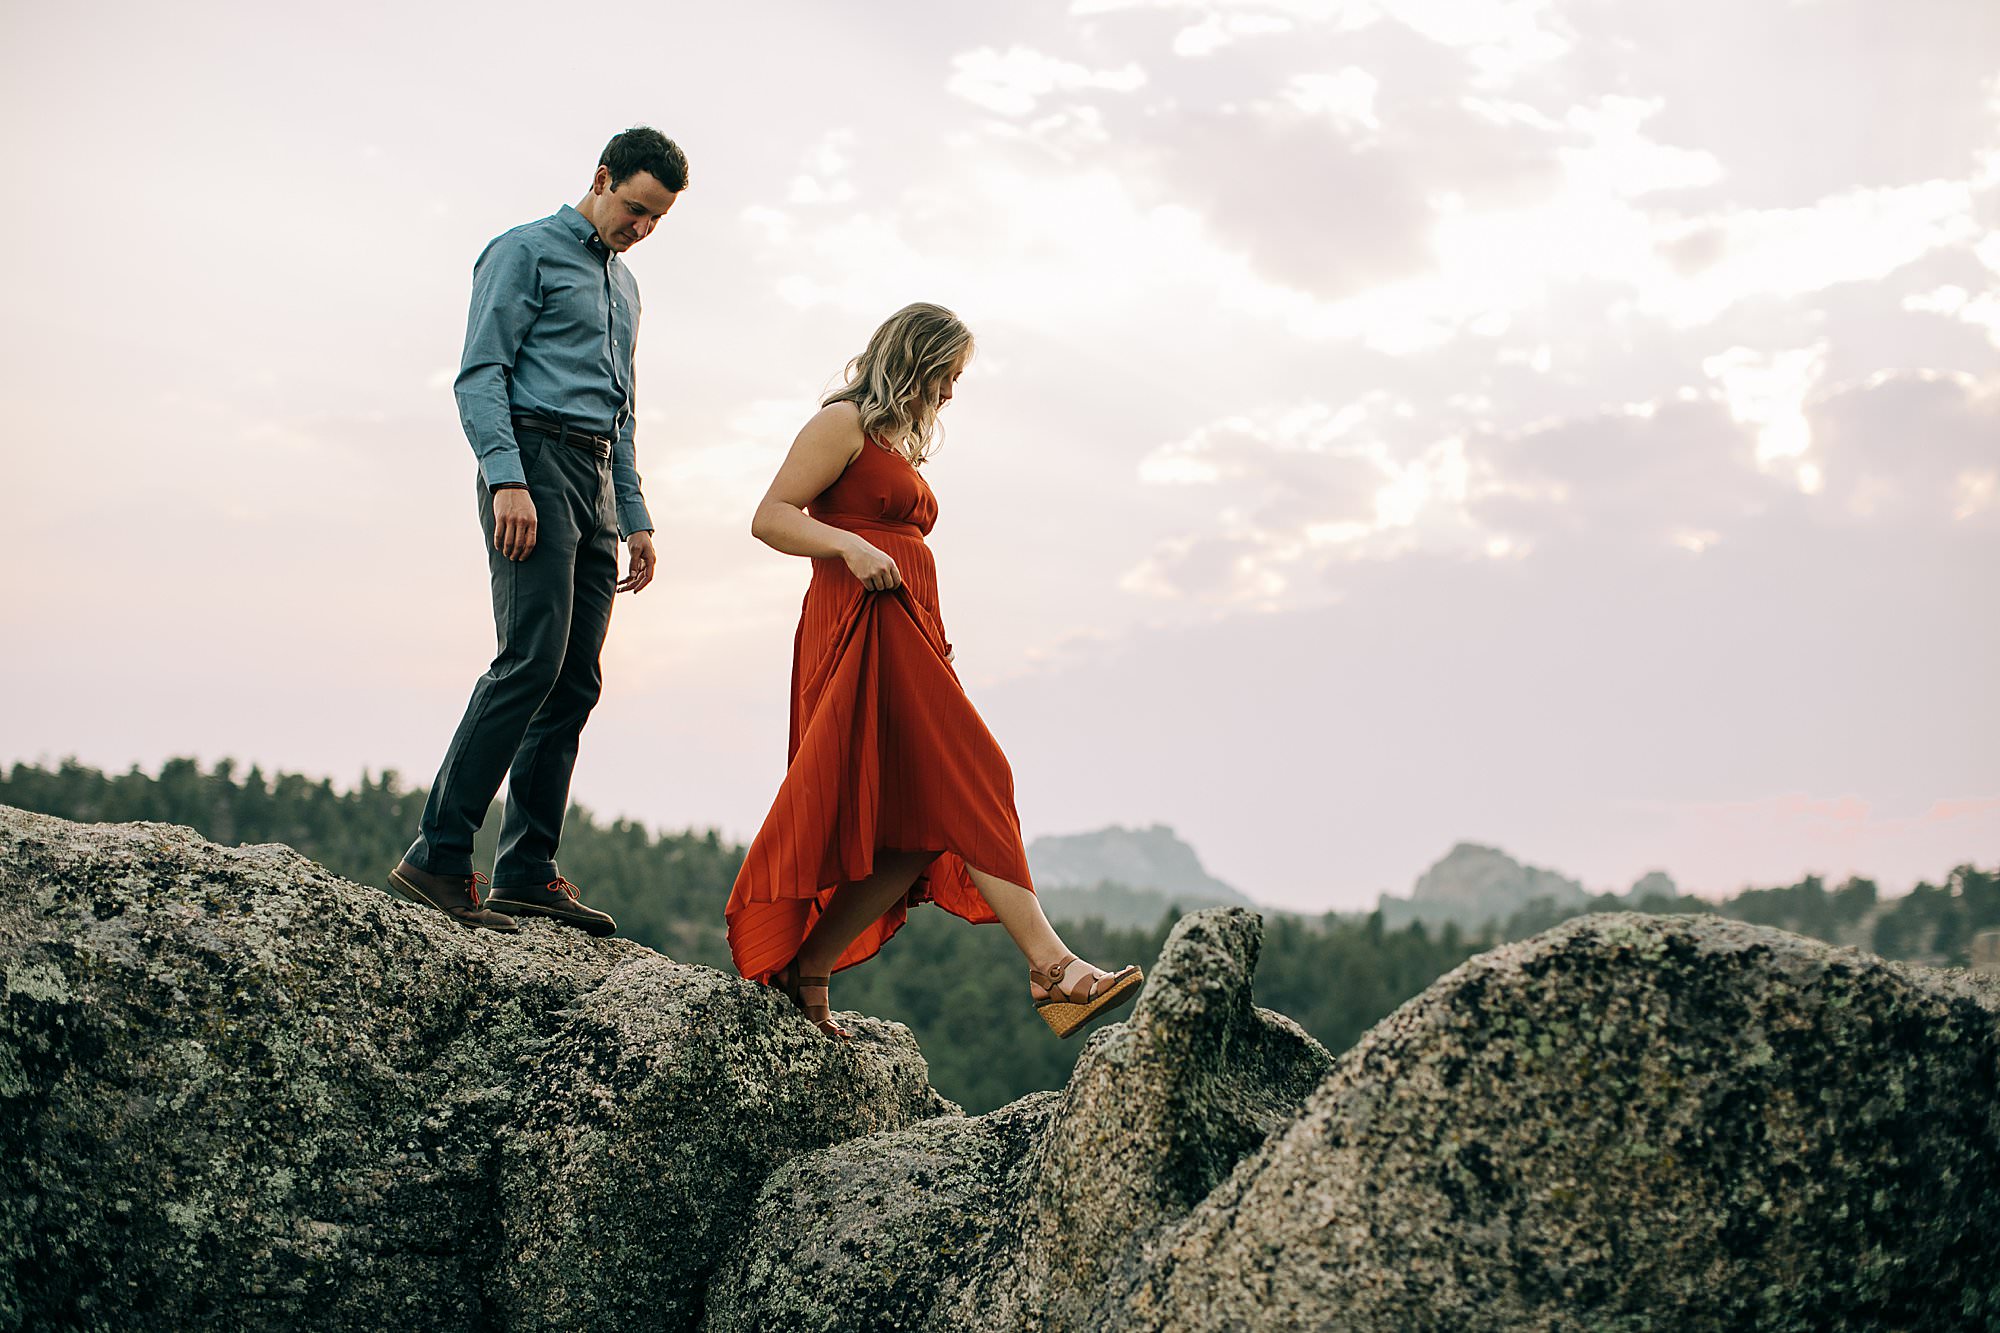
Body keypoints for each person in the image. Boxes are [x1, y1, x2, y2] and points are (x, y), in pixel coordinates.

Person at [726, 303, 1144, 1039]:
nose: (950, 394)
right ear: (913, 361)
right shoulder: (842, 424)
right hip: (858, 635)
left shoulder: (892, 441)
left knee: (917, 829)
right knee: (979, 774)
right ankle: (1053, 967)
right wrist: (849, 548)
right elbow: (770, 516)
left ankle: (808, 970)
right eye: (946, 376)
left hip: (908, 641)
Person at [389, 127, 688, 937]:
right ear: (601, 178)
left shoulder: (626, 289)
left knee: (576, 679)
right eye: (634, 209)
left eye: (657, 219)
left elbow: (622, 411)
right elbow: (480, 372)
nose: (641, 229)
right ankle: (440, 854)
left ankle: (526, 869)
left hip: (594, 479)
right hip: (531, 459)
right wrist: (506, 477)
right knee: (529, 660)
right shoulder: (521, 252)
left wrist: (636, 515)